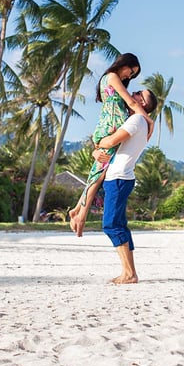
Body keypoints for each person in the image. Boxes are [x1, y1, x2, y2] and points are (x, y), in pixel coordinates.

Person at [68, 53, 154, 236]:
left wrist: (96, 149)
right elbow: (130, 101)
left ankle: (78, 210)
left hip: (109, 130)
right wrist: (149, 120)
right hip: (109, 129)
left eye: (132, 75)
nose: (129, 77)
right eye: (131, 72)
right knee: (98, 175)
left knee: (97, 173)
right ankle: (80, 214)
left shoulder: (114, 81)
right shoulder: (112, 77)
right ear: (124, 64)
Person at [91, 88, 158, 284]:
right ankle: (129, 272)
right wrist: (98, 152)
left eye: (139, 94)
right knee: (119, 225)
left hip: (119, 178)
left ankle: (129, 274)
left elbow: (111, 141)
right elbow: (113, 147)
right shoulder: (141, 122)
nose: (133, 93)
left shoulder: (137, 120)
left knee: (111, 225)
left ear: (143, 103)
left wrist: (96, 144)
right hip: (120, 178)